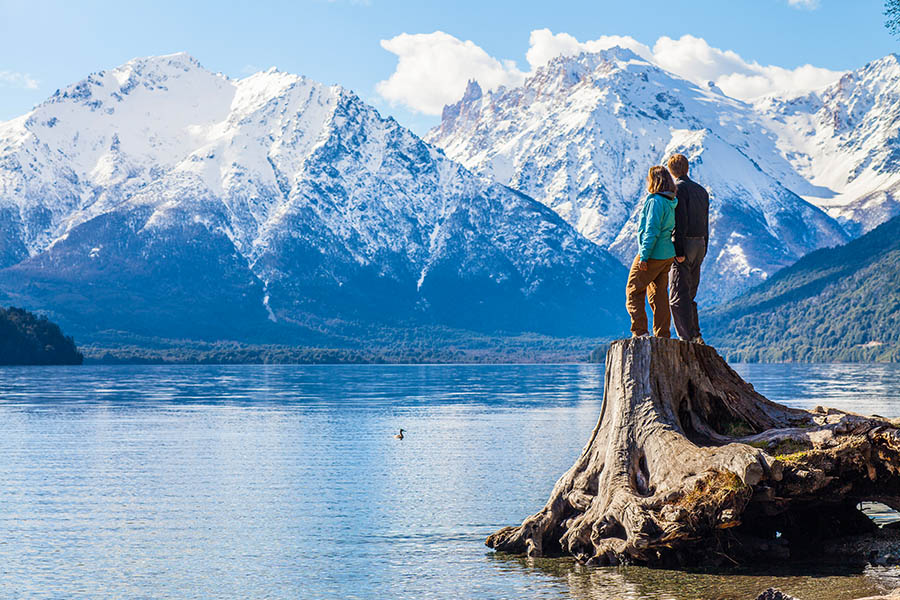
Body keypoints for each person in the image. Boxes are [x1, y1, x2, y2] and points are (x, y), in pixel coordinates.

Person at [625, 166, 678, 338]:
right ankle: (662, 334)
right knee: (659, 294)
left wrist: (644, 256)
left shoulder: (655, 201)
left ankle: (640, 332)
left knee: (633, 290)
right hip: (667, 254)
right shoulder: (671, 201)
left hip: (653, 254)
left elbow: (652, 230)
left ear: (654, 181)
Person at [667, 154, 710, 345]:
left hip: (684, 243)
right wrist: (704, 247)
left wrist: (678, 250)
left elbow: (679, 221)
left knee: (677, 295)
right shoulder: (702, 191)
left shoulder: (677, 189)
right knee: (690, 292)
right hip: (700, 243)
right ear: (687, 168)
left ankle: (687, 339)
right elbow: (706, 221)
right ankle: (696, 334)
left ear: (671, 171)